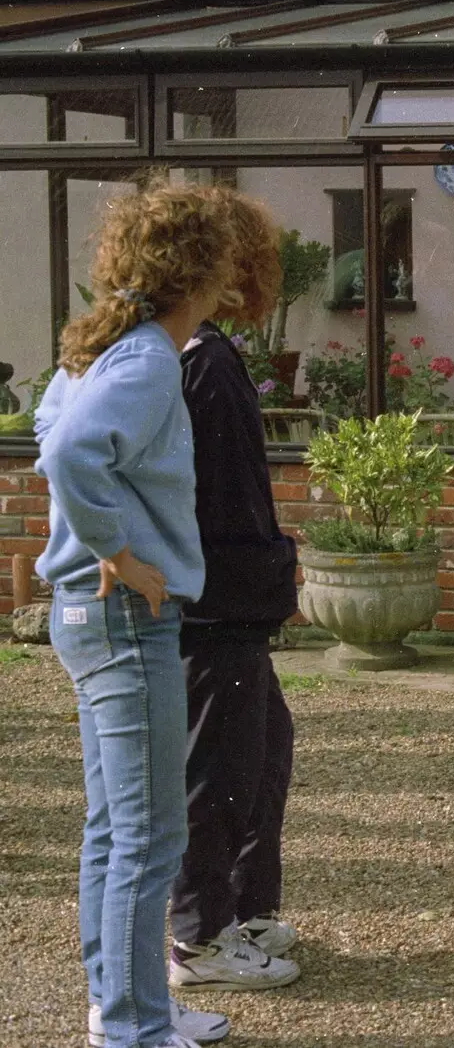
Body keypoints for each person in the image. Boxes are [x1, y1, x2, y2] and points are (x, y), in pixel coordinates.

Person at [35, 184, 236, 1048]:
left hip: (87, 618)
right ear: (199, 269)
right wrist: (118, 550)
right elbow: (71, 451)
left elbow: (55, 428)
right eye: (224, 257)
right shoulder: (150, 358)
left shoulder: (104, 348)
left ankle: (120, 1007)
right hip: (121, 621)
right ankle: (135, 1032)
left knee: (115, 829)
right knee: (151, 836)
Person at [166, 186, 302, 994]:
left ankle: (244, 910)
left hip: (228, 597)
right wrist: (266, 558)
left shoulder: (209, 354)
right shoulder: (205, 361)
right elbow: (215, 495)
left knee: (261, 752)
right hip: (217, 604)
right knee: (219, 768)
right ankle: (200, 935)